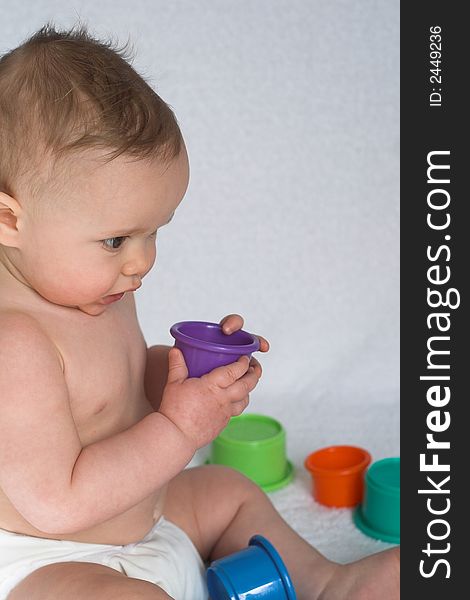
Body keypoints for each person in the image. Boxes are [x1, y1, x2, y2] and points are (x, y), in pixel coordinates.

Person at [0, 23, 399, 600]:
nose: (141, 262)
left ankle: (325, 583)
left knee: (225, 490)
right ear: (10, 220)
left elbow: (116, 390)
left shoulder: (100, 286)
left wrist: (191, 378)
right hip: (51, 557)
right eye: (116, 240)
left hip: (150, 516)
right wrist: (180, 427)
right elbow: (59, 503)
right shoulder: (15, 343)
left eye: (154, 231)